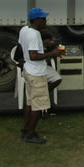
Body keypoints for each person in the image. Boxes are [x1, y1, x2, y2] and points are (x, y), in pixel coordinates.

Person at [19, 8, 64, 144]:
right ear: (36, 20)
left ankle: (25, 130)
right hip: (36, 74)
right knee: (38, 106)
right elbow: (33, 56)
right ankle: (31, 134)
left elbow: (22, 48)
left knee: (29, 103)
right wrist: (53, 54)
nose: (45, 21)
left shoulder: (24, 30)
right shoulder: (34, 35)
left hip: (27, 71)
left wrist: (41, 45)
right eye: (43, 19)